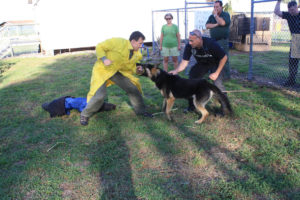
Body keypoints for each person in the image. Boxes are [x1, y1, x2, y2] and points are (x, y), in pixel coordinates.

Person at [80, 31, 153, 126]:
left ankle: (141, 111)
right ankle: (85, 114)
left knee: (133, 88)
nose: (141, 45)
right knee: (99, 96)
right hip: (102, 70)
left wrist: (138, 70)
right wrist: (104, 59)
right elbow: (100, 46)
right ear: (133, 41)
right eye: (140, 43)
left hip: (116, 72)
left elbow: (132, 67)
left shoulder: (137, 54)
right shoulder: (118, 42)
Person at [169, 29, 228, 113]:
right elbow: (184, 62)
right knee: (191, 80)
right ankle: (192, 106)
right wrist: (176, 70)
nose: (190, 43)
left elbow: (224, 57)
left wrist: (216, 73)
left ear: (199, 39)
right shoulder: (189, 46)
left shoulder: (211, 44)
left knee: (217, 83)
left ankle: (225, 107)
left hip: (216, 63)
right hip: (203, 63)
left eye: (192, 41)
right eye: (189, 40)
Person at [274, 0, 299, 86]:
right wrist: (278, 2)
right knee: (293, 62)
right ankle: (291, 81)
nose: (291, 11)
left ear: (297, 7)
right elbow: (277, 12)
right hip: (296, 40)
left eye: (292, 9)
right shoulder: (289, 15)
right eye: (289, 10)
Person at [206, 0, 231, 80]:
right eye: (214, 7)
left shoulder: (225, 15)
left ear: (221, 7)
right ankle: (213, 74)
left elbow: (223, 23)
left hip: (222, 41)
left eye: (217, 7)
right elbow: (207, 25)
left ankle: (226, 76)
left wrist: (216, 16)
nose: (215, 8)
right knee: (213, 58)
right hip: (213, 40)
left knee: (224, 58)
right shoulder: (211, 16)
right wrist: (216, 24)